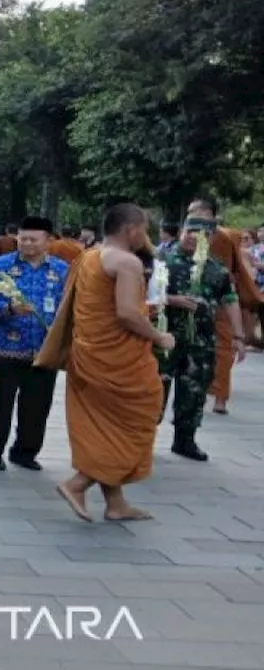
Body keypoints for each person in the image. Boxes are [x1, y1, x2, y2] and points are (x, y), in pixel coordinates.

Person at [37, 203, 175, 522]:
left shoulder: (89, 256)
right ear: (132, 229)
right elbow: (127, 313)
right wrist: (158, 336)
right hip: (119, 362)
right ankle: (78, 484)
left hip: (88, 355)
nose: (147, 235)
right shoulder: (127, 262)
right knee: (141, 416)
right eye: (145, 229)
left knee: (105, 427)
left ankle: (116, 503)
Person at [0, 216, 69, 472]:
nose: (26, 244)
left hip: (43, 350)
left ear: (49, 241)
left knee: (37, 406)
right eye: (22, 238)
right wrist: (8, 308)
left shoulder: (61, 270)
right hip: (2, 348)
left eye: (33, 239)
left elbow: (71, 306)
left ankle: (25, 452)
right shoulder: (0, 266)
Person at [157, 219, 244, 461]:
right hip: (164, 338)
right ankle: (144, 438)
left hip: (201, 342)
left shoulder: (217, 269)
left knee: (194, 392)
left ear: (210, 239)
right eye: (189, 231)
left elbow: (230, 300)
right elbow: (145, 292)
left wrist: (238, 335)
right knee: (154, 389)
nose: (192, 237)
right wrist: (172, 300)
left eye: (200, 234)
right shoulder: (162, 260)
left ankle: (185, 440)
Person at [186, 198, 259, 413]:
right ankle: (197, 391)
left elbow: (237, 266)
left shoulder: (227, 236)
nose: (190, 214)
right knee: (193, 345)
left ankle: (220, 399)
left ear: (208, 212)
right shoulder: (189, 233)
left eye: (194, 210)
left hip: (221, 297)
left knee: (223, 350)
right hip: (192, 296)